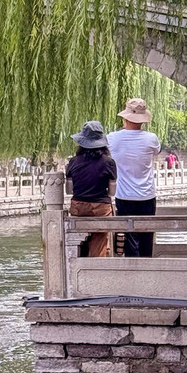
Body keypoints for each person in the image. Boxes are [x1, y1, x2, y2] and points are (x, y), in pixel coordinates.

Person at [107, 97, 161, 257]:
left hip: (124, 195)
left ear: (125, 117)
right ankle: (146, 267)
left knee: (129, 238)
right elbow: (157, 151)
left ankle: (131, 268)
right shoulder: (151, 138)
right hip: (147, 195)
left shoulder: (112, 138)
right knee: (146, 237)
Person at [65, 121, 117, 257]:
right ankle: (97, 262)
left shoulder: (73, 162)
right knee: (100, 240)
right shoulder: (109, 162)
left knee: (79, 242)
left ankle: (78, 261)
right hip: (101, 208)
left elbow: (69, 190)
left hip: (79, 207)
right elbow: (112, 192)